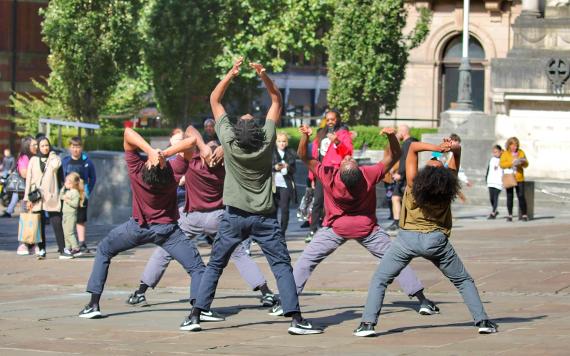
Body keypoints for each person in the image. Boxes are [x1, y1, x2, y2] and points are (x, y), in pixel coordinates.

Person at [182, 58, 322, 335]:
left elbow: (214, 99)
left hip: (233, 216)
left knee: (215, 265)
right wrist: (263, 75)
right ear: (259, 132)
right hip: (264, 218)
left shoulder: (229, 143)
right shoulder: (267, 141)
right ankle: (295, 319)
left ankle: (195, 315)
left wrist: (231, 74)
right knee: (281, 265)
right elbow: (276, 100)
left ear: (233, 132)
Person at [269, 125, 439, 317]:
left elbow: (304, 156)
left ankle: (285, 302)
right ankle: (423, 300)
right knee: (395, 259)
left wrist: (305, 138)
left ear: (339, 171)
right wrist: (391, 137)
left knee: (306, 260)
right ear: (359, 170)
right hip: (367, 229)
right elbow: (395, 154)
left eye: (347, 160)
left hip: (335, 229)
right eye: (349, 159)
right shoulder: (369, 175)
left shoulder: (329, 176)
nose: (348, 157)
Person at [354, 138, 498, 337]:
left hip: (407, 240)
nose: (434, 159)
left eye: (432, 162)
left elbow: (412, 148)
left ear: (425, 174)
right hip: (436, 241)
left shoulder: (414, 184)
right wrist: (452, 149)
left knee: (380, 278)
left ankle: (367, 324)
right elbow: (457, 156)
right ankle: (482, 321)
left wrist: (436, 148)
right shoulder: (447, 189)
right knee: (463, 280)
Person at [126, 134, 278, 309]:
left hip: (191, 216)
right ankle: (265, 292)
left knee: (164, 250)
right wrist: (223, 148)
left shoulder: (194, 164)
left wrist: (194, 148)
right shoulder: (225, 168)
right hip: (218, 217)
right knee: (239, 253)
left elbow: (191, 134)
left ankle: (140, 292)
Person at [78, 127, 210, 321]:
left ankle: (93, 304)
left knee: (104, 249)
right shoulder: (173, 172)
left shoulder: (137, 170)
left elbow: (127, 133)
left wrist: (150, 151)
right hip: (168, 231)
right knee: (197, 268)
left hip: (138, 228)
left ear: (147, 166)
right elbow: (191, 142)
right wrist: (163, 154)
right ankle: (195, 315)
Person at [307, 110, 353, 242]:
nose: (330, 121)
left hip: (336, 172)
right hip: (322, 172)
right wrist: (312, 176)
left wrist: (337, 142)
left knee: (335, 202)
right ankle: (312, 229)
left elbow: (348, 152)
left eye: (333, 119)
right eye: (328, 119)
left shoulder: (343, 133)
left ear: (338, 119)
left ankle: (335, 228)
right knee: (318, 201)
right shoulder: (321, 133)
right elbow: (314, 156)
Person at [23, 136, 66, 259]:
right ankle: (42, 249)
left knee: (56, 222)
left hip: (51, 195)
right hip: (36, 196)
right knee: (39, 224)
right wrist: (27, 198)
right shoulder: (33, 160)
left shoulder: (54, 159)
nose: (45, 148)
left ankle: (63, 250)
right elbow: (29, 180)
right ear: (38, 147)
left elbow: (57, 166)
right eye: (42, 146)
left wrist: (52, 154)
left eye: (47, 145)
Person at [62, 136, 96, 253]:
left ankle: (81, 242)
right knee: (69, 218)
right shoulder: (65, 161)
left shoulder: (87, 161)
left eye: (78, 146)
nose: (75, 149)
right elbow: (61, 177)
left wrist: (87, 192)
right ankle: (69, 243)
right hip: (69, 195)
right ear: (69, 148)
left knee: (81, 219)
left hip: (82, 195)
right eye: (73, 147)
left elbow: (93, 178)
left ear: (81, 148)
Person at [387, 125, 418, 232]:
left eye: (398, 132)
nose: (397, 135)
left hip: (405, 177)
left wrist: (401, 174)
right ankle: (400, 222)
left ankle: (398, 222)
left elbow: (407, 160)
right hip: (408, 176)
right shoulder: (411, 143)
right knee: (400, 198)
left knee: (398, 198)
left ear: (403, 132)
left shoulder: (407, 144)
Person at [15, 136, 38, 254]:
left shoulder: (36, 157)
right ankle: (23, 244)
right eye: (34, 145)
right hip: (26, 193)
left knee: (34, 218)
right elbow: (24, 174)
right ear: (27, 146)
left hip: (35, 193)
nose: (36, 147)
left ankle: (33, 243)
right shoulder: (24, 158)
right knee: (26, 217)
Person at [272, 132, 297, 237]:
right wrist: (275, 167)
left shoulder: (291, 152)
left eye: (284, 141)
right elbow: (265, 167)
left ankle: (282, 231)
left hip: (285, 184)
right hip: (273, 185)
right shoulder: (271, 152)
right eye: (279, 141)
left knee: (285, 209)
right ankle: (273, 230)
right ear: (276, 142)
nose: (282, 143)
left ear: (287, 143)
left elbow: (294, 170)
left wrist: (287, 167)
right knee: (272, 209)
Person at [500, 137, 529, 222]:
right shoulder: (505, 153)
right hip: (509, 177)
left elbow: (526, 164)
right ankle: (510, 215)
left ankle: (524, 214)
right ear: (509, 145)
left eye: (516, 146)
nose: (514, 147)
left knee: (521, 195)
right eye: (513, 145)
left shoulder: (521, 152)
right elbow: (501, 164)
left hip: (519, 177)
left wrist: (522, 162)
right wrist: (511, 163)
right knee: (510, 196)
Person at [59, 172, 84, 258]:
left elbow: (75, 204)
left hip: (71, 215)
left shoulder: (75, 192)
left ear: (72, 184)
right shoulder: (68, 191)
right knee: (65, 233)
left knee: (70, 232)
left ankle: (76, 248)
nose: (65, 183)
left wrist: (68, 200)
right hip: (65, 214)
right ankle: (68, 248)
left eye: (67, 182)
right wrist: (63, 189)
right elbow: (61, 196)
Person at [486, 145, 503, 219]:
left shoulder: (503, 159)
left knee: (496, 197)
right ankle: (495, 210)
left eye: (496, 152)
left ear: (500, 151)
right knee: (491, 198)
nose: (495, 153)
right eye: (493, 152)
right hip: (491, 181)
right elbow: (488, 169)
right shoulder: (492, 159)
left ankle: (493, 213)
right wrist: (486, 178)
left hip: (499, 182)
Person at [1, 148, 17, 218]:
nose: (5, 154)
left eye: (6, 152)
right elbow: (3, 165)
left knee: (15, 194)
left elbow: (13, 166)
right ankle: (9, 210)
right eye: (5, 152)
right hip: (4, 172)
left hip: (9, 173)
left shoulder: (12, 158)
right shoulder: (4, 158)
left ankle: (9, 210)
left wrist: (10, 170)